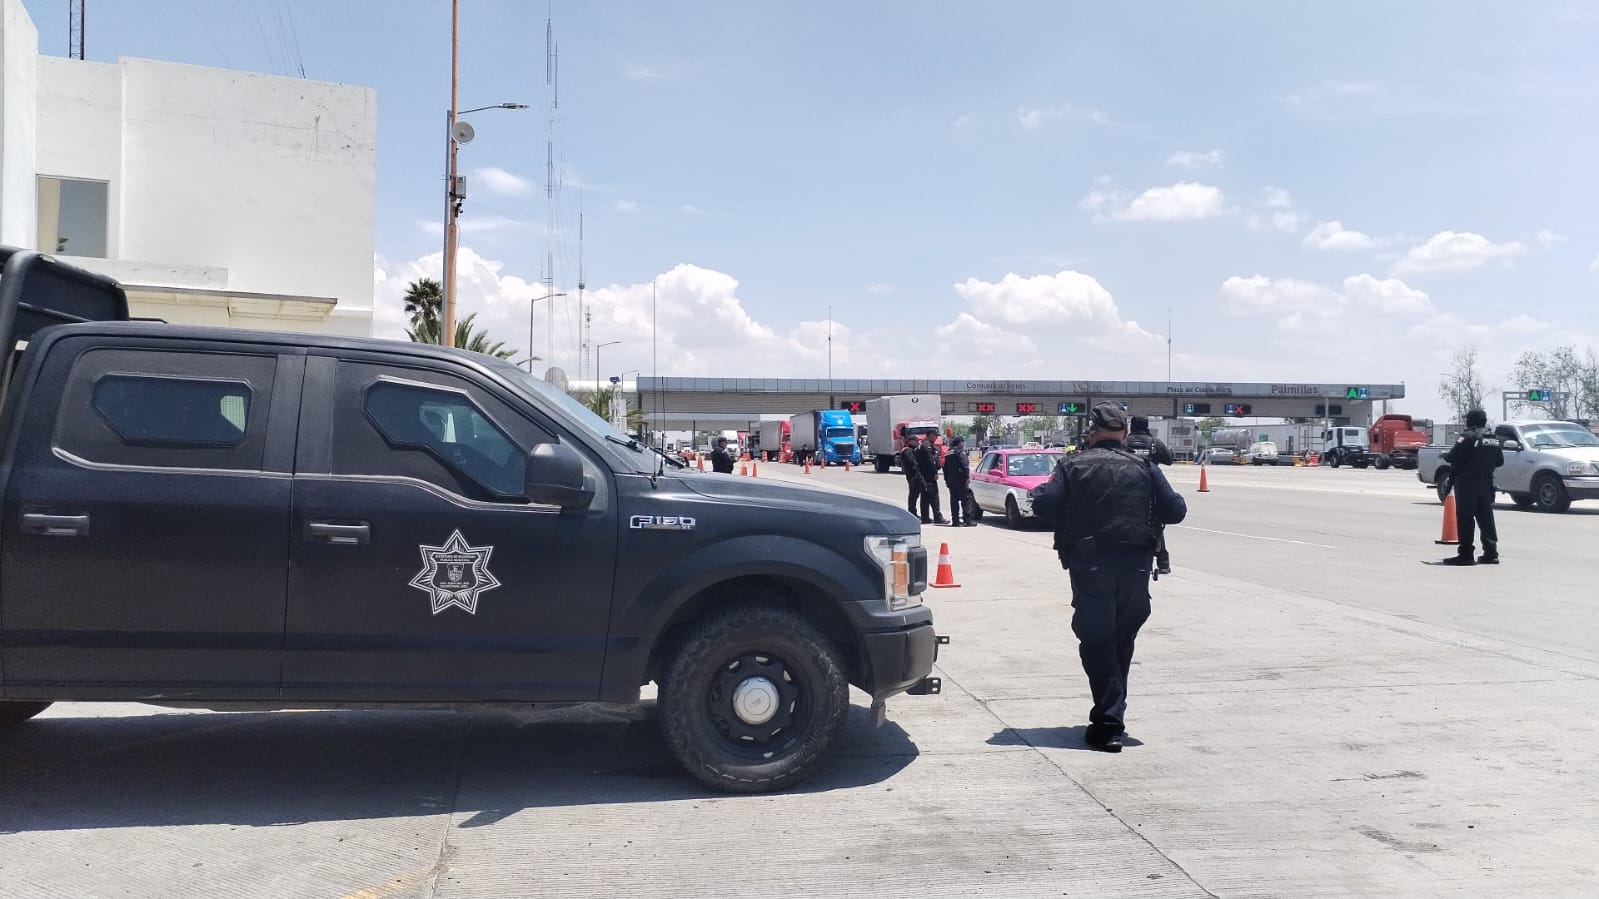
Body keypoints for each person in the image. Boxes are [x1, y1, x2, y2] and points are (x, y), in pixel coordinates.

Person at [1030, 402, 1187, 753]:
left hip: (1091, 565)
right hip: (1136, 568)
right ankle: (1111, 714)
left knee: (1098, 641)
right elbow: (1176, 511)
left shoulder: (1072, 464)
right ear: (1124, 432)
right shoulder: (1145, 466)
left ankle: (1108, 722)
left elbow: (1044, 504)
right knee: (1120, 640)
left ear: (1093, 430)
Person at [1440, 409, 1504, 565]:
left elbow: (1452, 457)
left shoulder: (1467, 436)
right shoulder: (1493, 439)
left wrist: (1443, 455)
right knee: (1486, 518)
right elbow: (1499, 461)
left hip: (1467, 484)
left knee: (1465, 518)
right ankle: (1491, 553)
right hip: (1486, 484)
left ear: (1472, 421)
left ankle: (1466, 554)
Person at [1125, 416, 1175, 574]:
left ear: (1131, 426)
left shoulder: (1124, 442)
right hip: (1151, 487)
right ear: (1147, 426)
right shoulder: (1154, 443)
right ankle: (1163, 562)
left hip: (1128, 486)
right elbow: (1169, 460)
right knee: (1157, 523)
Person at [942, 435, 976, 526]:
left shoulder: (948, 453)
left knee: (954, 500)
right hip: (960, 480)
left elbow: (944, 468)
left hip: (951, 480)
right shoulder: (960, 452)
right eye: (963, 442)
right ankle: (967, 520)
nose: (964, 444)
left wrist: (946, 480)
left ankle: (955, 520)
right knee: (966, 499)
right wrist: (967, 478)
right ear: (960, 443)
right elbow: (965, 466)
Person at [915, 435, 946, 524]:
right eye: (935, 435)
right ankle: (937, 517)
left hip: (925, 475)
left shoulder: (924, 445)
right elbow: (930, 460)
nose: (936, 438)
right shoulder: (926, 446)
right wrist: (935, 472)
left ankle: (926, 517)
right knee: (933, 497)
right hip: (928, 475)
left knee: (926, 497)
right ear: (930, 435)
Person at [899, 435, 926, 519]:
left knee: (915, 494)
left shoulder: (912, 450)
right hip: (913, 476)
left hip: (914, 475)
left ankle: (913, 512)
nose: (918, 442)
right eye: (916, 441)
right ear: (911, 441)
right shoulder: (907, 451)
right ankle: (912, 512)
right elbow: (912, 464)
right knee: (913, 495)